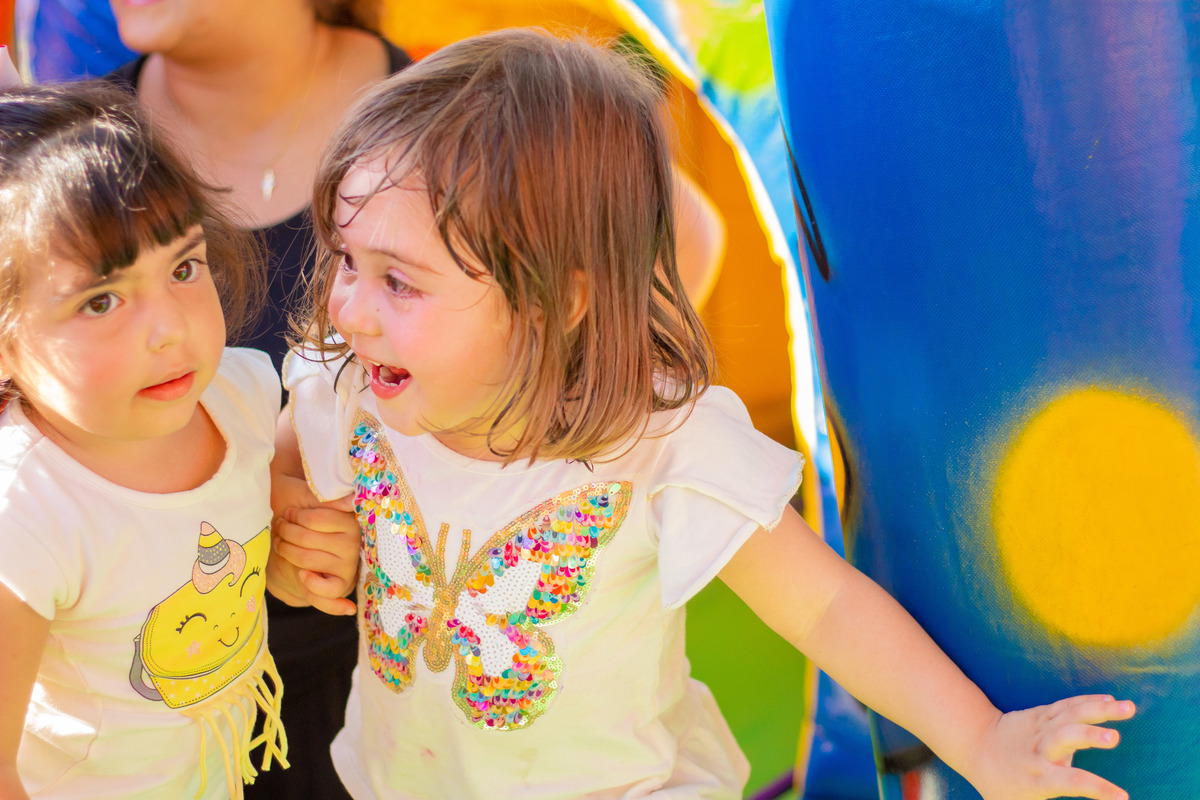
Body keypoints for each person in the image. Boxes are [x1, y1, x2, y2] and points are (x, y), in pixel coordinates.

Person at [268, 29, 1137, 800]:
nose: (348, 309)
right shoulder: (349, 391)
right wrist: (285, 539)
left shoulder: (656, 449)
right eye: (346, 259)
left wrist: (982, 740)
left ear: (554, 301)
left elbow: (825, 607)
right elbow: (264, 495)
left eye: (398, 281)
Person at [102, 4, 411, 797]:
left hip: (389, 719)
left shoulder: (450, 122)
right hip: (132, 728)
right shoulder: (66, 161)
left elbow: (677, 242)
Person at [0, 81, 284, 799]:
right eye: (102, 300)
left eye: (184, 268)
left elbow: (237, 535)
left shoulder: (243, 397)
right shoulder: (26, 516)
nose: (170, 328)